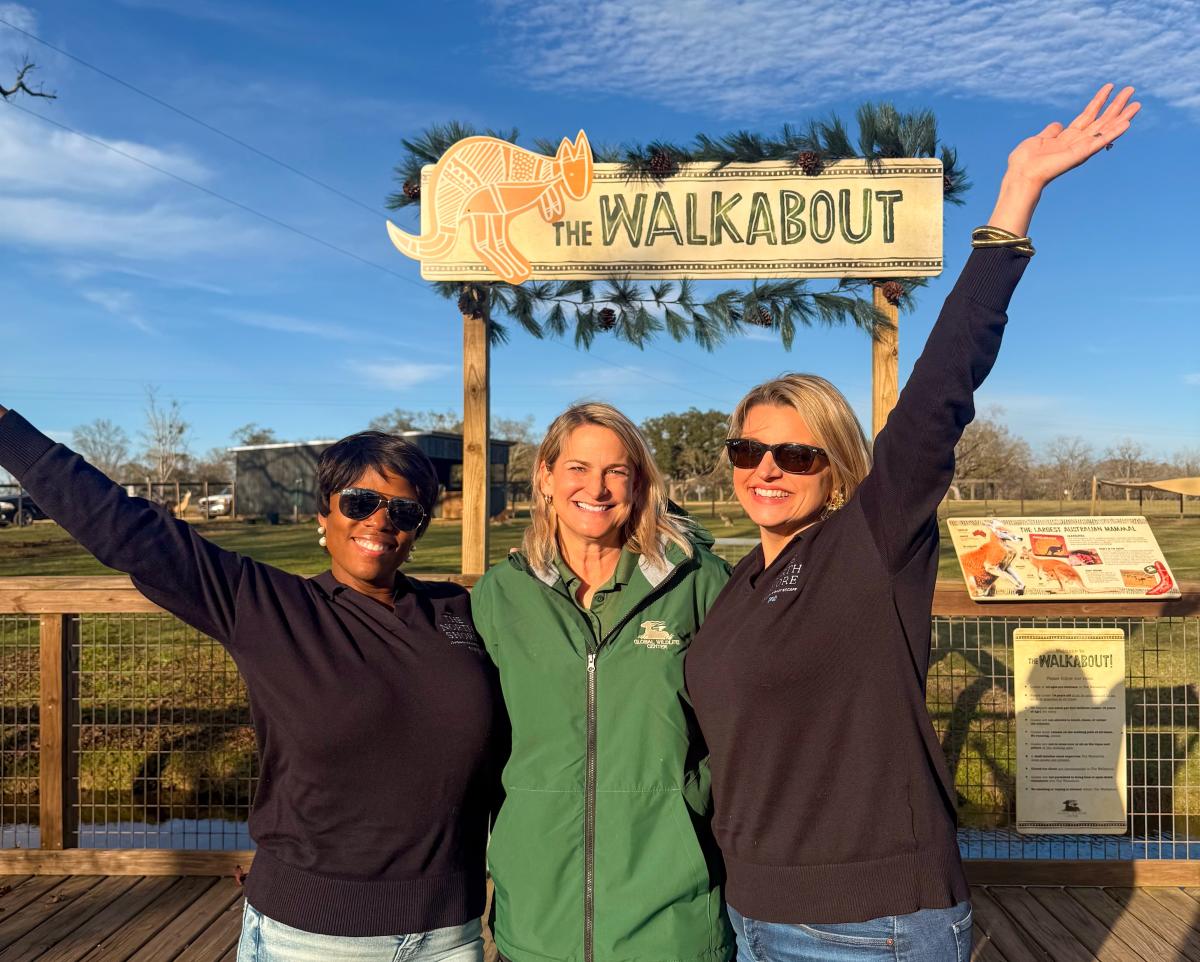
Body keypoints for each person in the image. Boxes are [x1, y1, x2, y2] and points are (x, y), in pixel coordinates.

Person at [684, 84, 1140, 961]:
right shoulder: (737, 582)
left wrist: (1016, 200)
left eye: (797, 454)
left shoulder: (871, 542)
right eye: (749, 453)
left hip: (872, 926)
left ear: (839, 466)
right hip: (747, 915)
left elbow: (938, 393)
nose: (767, 469)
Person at [0, 410, 500, 962]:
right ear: (323, 513)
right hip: (311, 937)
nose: (380, 521)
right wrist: (7, 431)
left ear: (418, 527)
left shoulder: (459, 612)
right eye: (360, 502)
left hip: (450, 933)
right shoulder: (266, 607)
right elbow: (126, 529)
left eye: (403, 510)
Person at [470, 402, 734, 962]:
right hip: (537, 921)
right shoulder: (500, 594)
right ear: (545, 475)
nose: (598, 487)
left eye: (617, 471)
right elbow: (480, 735)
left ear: (638, 483)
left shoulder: (698, 583)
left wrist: (683, 801)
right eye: (578, 468)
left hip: (671, 924)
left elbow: (746, 721)